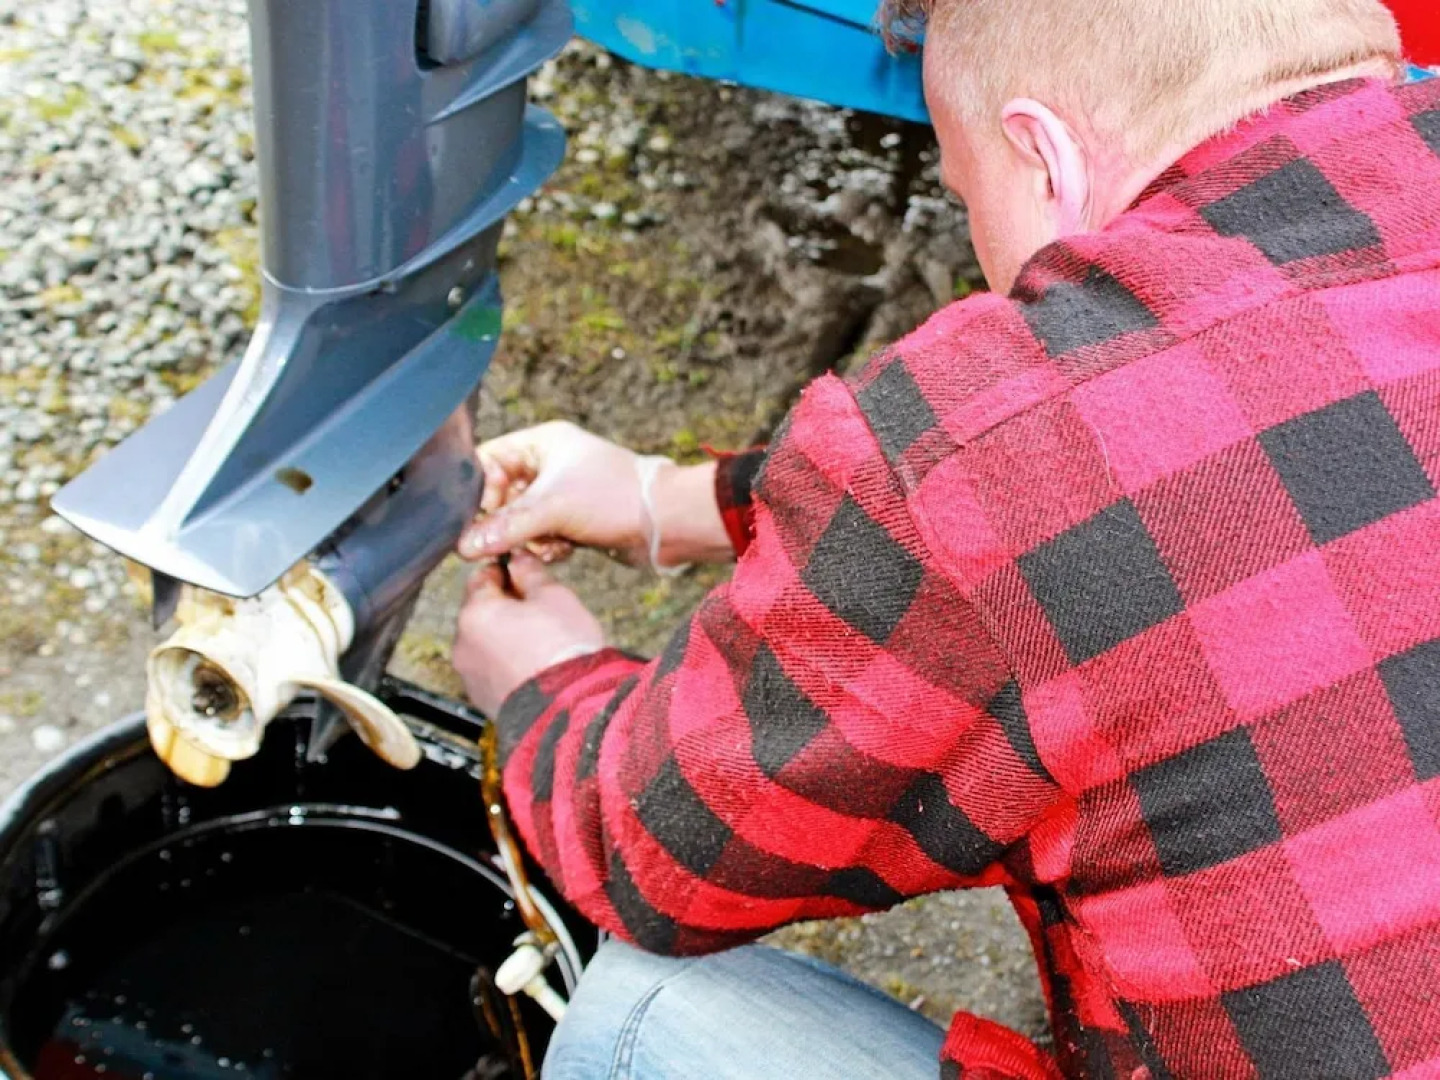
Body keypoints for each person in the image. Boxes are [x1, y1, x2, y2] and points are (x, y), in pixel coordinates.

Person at [451, 0, 1440, 1074]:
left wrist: (542, 679)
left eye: (968, 197)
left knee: (642, 1011)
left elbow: (657, 850)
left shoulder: (989, 465)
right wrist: (663, 503)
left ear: (1045, 158)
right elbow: (1225, 421)